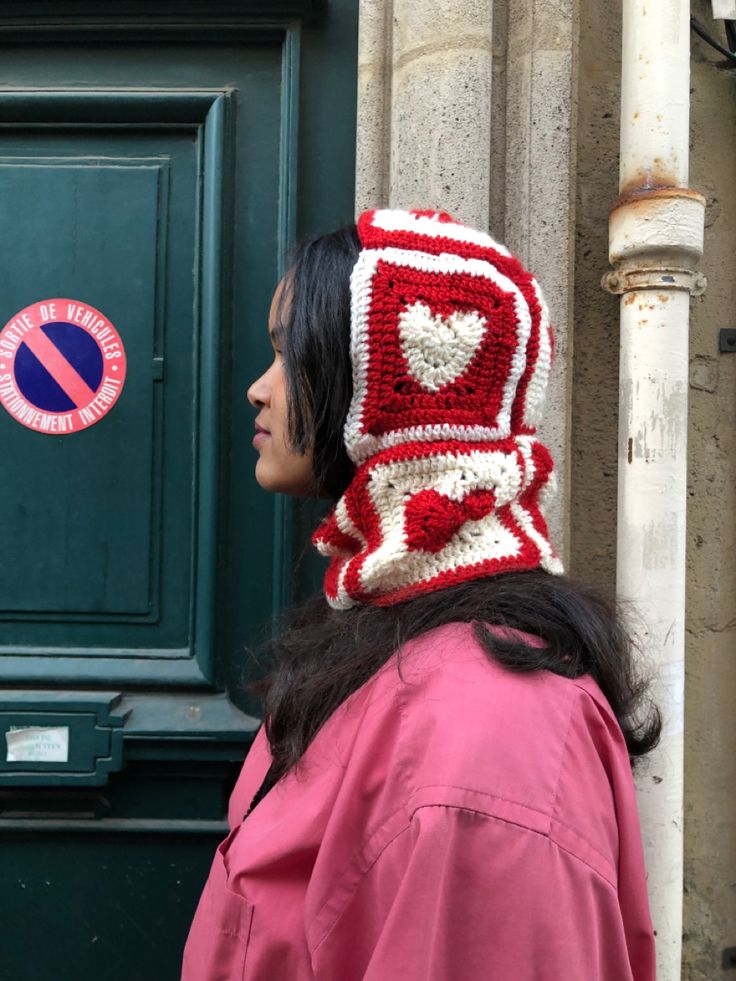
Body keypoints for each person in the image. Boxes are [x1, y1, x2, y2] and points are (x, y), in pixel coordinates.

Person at [181, 209, 659, 981]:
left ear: (383, 395)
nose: (255, 390)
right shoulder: (382, 641)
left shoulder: (487, 727)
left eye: (286, 355)